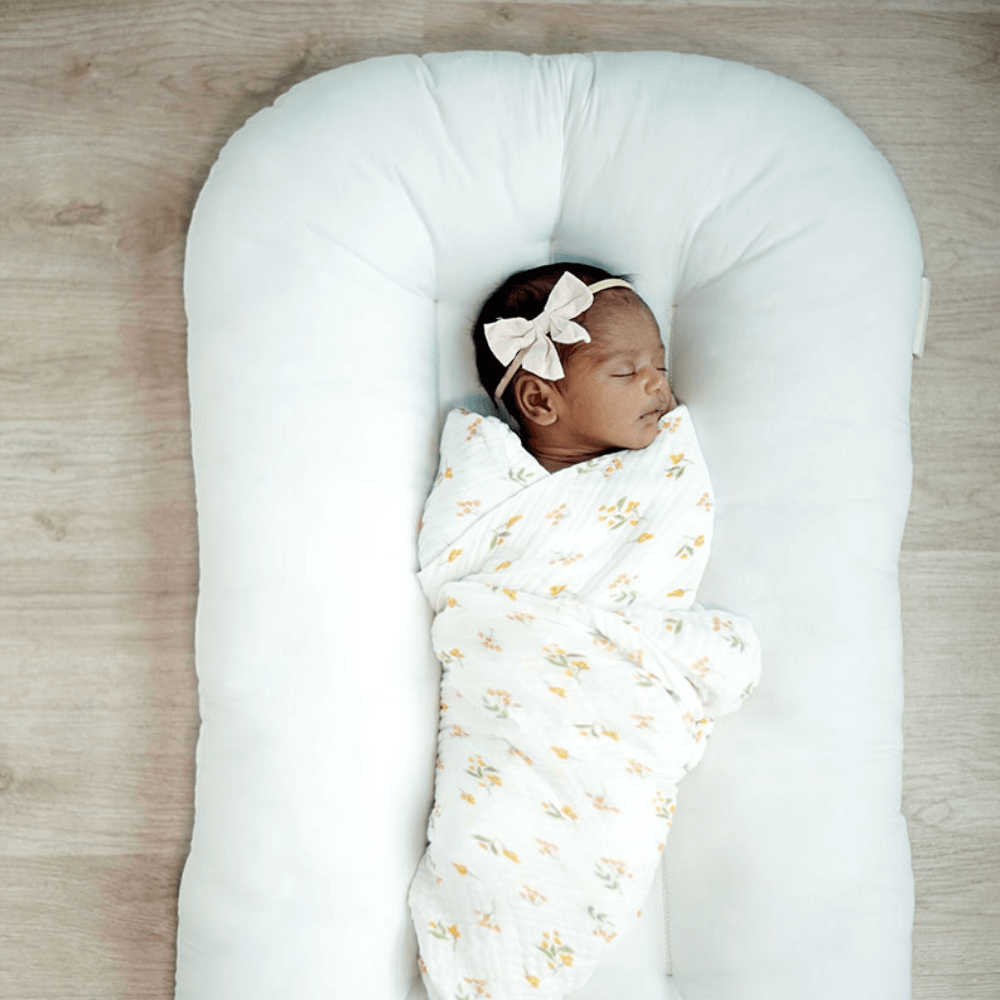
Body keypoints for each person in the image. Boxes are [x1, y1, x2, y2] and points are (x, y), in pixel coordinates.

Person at [472, 263, 677, 473]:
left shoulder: (668, 454)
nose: (659, 381)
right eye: (624, 373)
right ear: (539, 400)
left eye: (660, 367)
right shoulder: (487, 474)